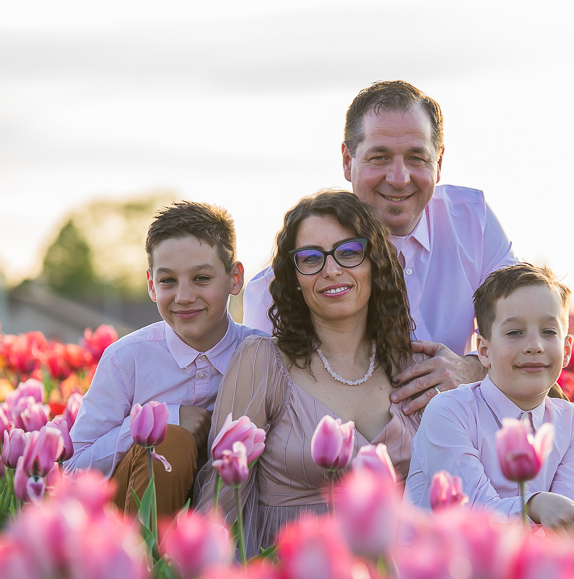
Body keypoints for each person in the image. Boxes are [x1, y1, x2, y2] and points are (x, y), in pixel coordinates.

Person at [242, 81, 517, 415]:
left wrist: (473, 368)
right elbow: (258, 404)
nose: (399, 178)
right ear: (348, 161)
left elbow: (527, 327)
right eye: (380, 157)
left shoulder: (474, 222)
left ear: (439, 162)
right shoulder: (282, 285)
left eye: (416, 158)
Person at [194, 190, 418, 553]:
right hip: (291, 576)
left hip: (392, 578)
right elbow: (222, 501)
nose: (331, 270)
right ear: (294, 276)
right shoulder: (263, 362)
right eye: (311, 258)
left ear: (375, 262)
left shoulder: (413, 367)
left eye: (349, 252)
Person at [66, 201, 264, 516]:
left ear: (235, 278)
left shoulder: (263, 355)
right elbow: (71, 470)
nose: (183, 297)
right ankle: (147, 549)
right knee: (170, 441)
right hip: (135, 520)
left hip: (234, 519)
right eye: (168, 281)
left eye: (202, 278)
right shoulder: (127, 359)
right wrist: (159, 420)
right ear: (151, 285)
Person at [403, 263, 574, 532]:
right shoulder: (449, 411)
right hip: (440, 554)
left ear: (566, 351)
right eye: (514, 332)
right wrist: (535, 504)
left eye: (549, 332)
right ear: (484, 351)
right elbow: (472, 508)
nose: (534, 346)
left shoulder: (569, 420)